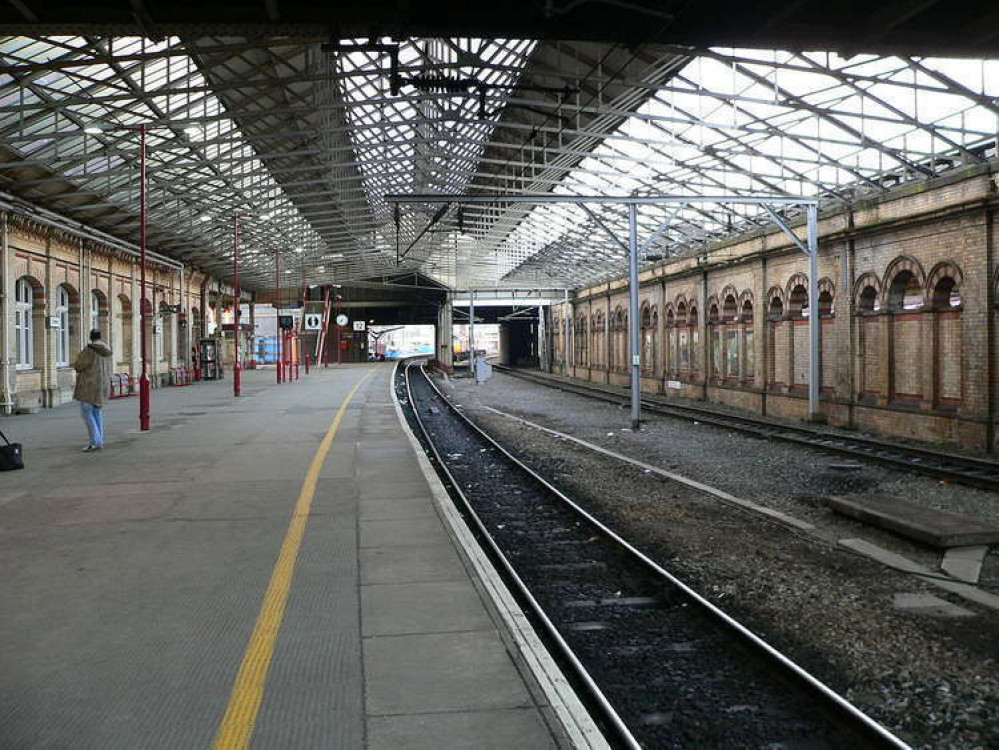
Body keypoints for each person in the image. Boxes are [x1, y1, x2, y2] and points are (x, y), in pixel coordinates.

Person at [73, 329, 113, 452]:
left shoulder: (89, 350)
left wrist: (78, 358)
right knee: (97, 413)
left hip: (88, 386)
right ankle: (99, 440)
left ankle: (94, 442)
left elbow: (78, 365)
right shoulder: (107, 351)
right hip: (101, 386)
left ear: (91, 337)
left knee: (87, 414)